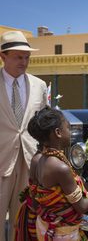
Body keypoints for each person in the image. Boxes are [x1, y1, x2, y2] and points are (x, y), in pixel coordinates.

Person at [15, 106, 88, 240]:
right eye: (68, 128)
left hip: (44, 227)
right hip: (62, 234)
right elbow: (82, 206)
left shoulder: (38, 159)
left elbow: (65, 193)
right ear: (58, 132)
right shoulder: (60, 168)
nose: (70, 132)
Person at [0, 31, 48, 241]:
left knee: (23, 220)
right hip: (1, 161)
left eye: (27, 57)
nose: (24, 62)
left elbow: (44, 123)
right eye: (18, 57)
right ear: (3, 56)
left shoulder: (40, 85)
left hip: (29, 163)